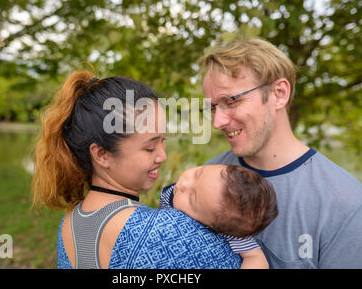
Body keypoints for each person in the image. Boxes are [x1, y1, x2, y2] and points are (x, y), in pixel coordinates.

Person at [191, 37, 362, 268]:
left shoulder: (348, 208)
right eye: (213, 107)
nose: (218, 122)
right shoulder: (201, 182)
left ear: (279, 93)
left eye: (231, 101)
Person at [31, 70, 244, 269]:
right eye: (149, 147)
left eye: (163, 141)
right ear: (101, 154)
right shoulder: (167, 231)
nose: (163, 156)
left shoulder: (69, 224)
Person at [160, 164, 278, 268]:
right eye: (197, 173)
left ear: (211, 226)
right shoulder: (207, 187)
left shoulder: (229, 233)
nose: (183, 184)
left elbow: (256, 258)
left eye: (191, 198)